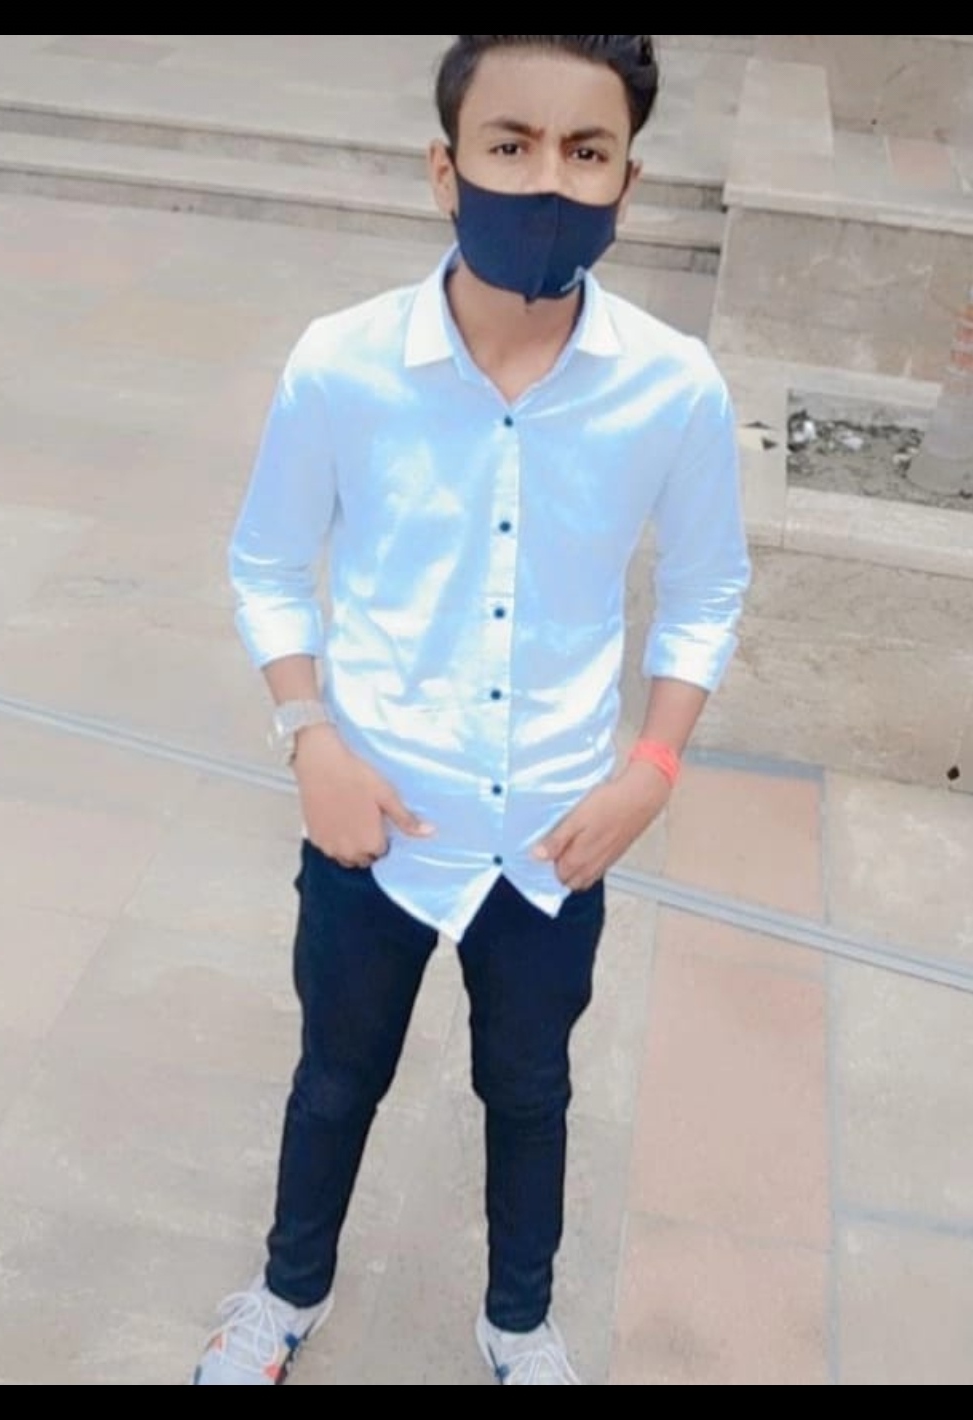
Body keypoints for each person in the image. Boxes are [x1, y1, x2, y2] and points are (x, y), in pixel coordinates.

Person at [195, 34, 750, 1387]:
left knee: (531, 1089)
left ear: (628, 181)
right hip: (377, 816)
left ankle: (518, 1323)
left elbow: (705, 590)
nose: (546, 181)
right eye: (510, 144)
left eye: (585, 151)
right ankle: (284, 1295)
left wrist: (651, 767)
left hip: (556, 831)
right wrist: (310, 737)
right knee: (337, 1076)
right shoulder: (343, 364)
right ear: (446, 170)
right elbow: (267, 563)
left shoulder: (671, 385)